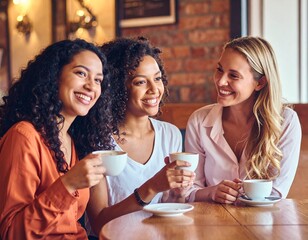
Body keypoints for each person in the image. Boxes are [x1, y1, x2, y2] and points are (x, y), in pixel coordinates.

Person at [0, 39, 114, 239]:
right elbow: (11, 233)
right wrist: (67, 184)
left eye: (98, 80)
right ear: (54, 76)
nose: (91, 86)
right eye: (81, 73)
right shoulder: (24, 136)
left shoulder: (73, 140)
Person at [86, 36, 195, 235]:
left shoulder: (170, 134)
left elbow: (165, 207)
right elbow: (98, 223)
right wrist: (152, 187)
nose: (154, 90)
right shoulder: (98, 141)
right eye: (140, 82)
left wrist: (177, 196)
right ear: (118, 88)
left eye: (157, 78)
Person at [185, 36, 302, 204]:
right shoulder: (199, 121)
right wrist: (212, 193)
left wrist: (237, 195)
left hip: (263, 224)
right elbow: (189, 191)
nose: (221, 81)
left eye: (233, 75)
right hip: (211, 223)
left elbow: (277, 192)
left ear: (260, 83)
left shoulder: (285, 122)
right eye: (219, 70)